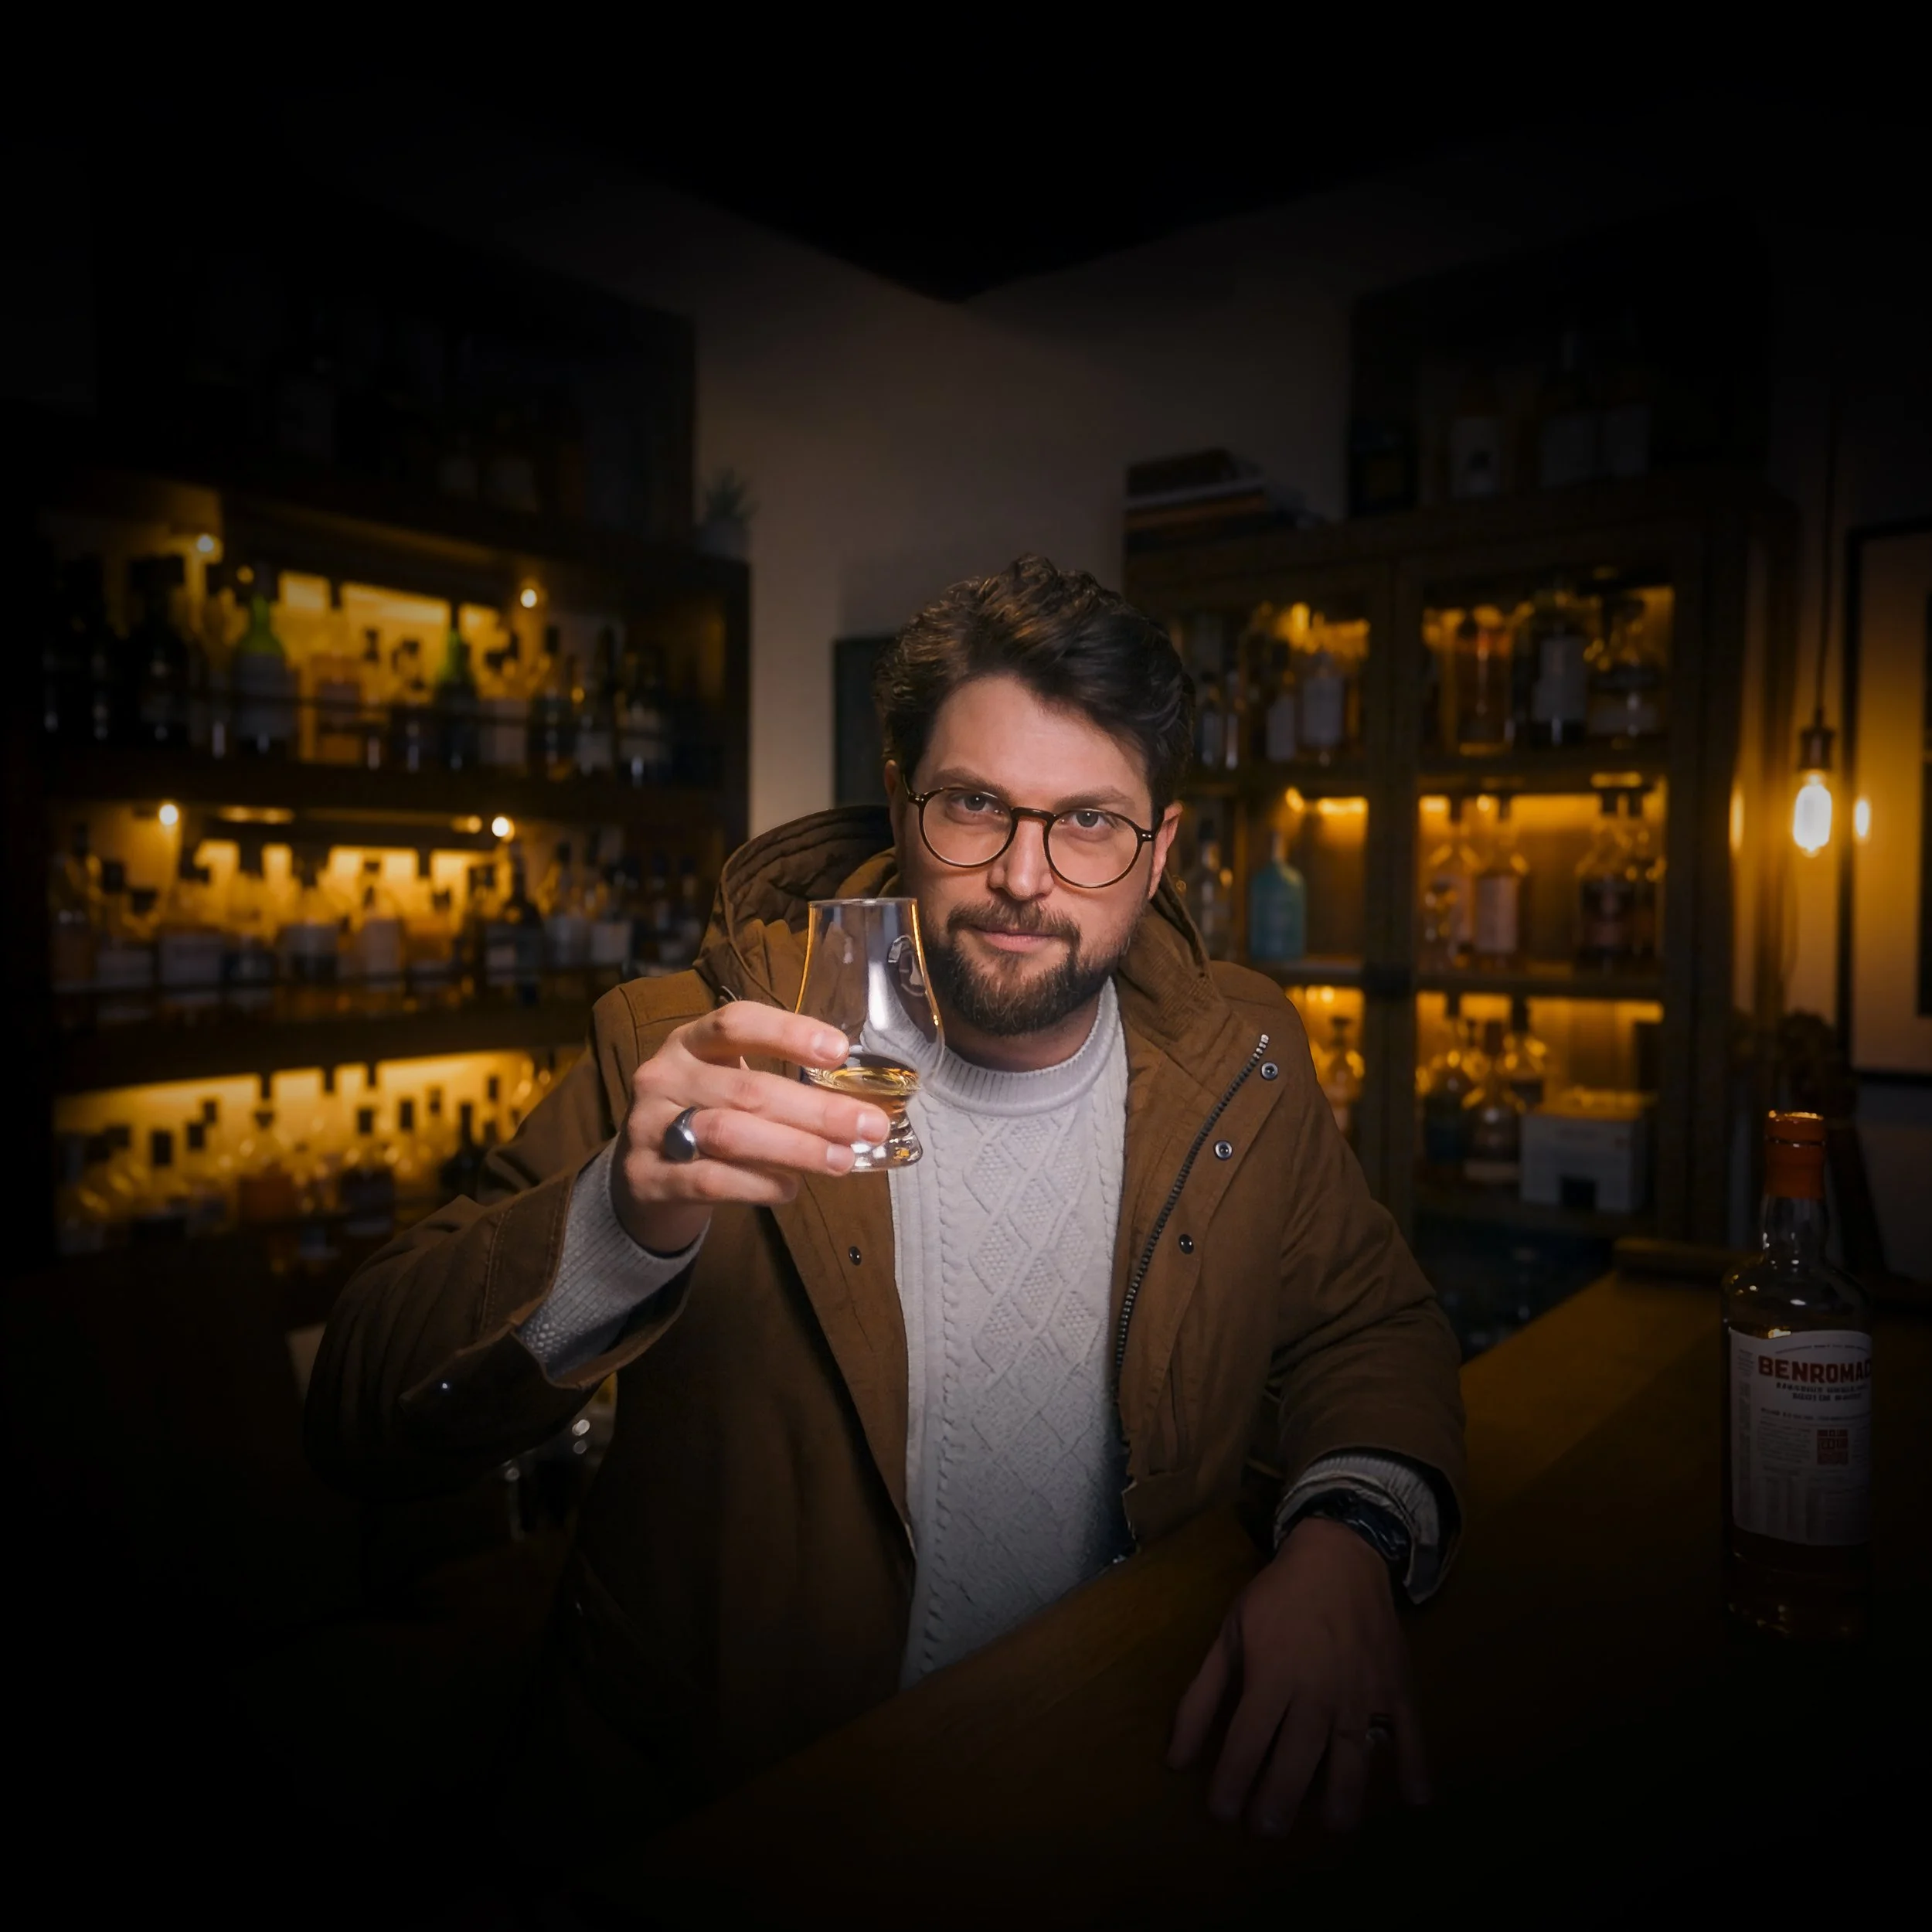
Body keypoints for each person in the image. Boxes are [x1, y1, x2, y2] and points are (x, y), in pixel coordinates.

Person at [308, 556, 1464, 1841]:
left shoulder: (1242, 1054)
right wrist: (617, 1221)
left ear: (1161, 852)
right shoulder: (694, 1045)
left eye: (1089, 821)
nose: (1028, 877)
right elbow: (363, 1413)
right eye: (977, 806)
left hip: (1114, 1773)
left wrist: (1349, 1539)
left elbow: (1371, 1327)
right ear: (906, 805)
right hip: (750, 1829)